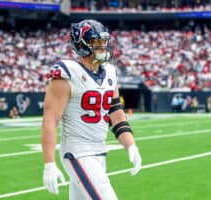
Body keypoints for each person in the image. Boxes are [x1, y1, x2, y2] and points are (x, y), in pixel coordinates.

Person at [41, 19, 142, 200]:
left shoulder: (110, 72)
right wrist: (49, 163)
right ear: (82, 45)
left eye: (104, 41)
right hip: (78, 152)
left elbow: (117, 115)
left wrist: (130, 144)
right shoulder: (67, 72)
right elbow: (50, 120)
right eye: (97, 42)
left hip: (99, 151)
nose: (103, 46)